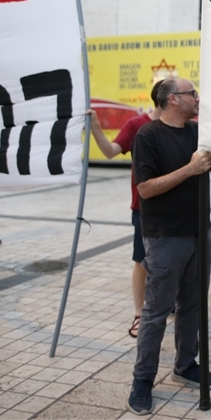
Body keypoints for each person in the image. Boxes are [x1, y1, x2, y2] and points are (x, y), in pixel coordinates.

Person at [127, 78, 211, 415]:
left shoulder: (198, 131)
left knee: (194, 305)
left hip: (200, 231)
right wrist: (190, 169)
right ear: (173, 99)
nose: (197, 98)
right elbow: (146, 189)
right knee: (156, 312)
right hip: (165, 235)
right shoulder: (148, 135)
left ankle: (186, 364)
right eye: (191, 94)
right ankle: (142, 379)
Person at [90, 80, 164, 337]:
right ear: (167, 99)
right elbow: (111, 151)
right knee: (142, 260)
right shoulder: (137, 125)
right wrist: (96, 128)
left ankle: (170, 304)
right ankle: (139, 313)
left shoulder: (186, 127)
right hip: (143, 207)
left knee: (173, 259)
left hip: (175, 208)